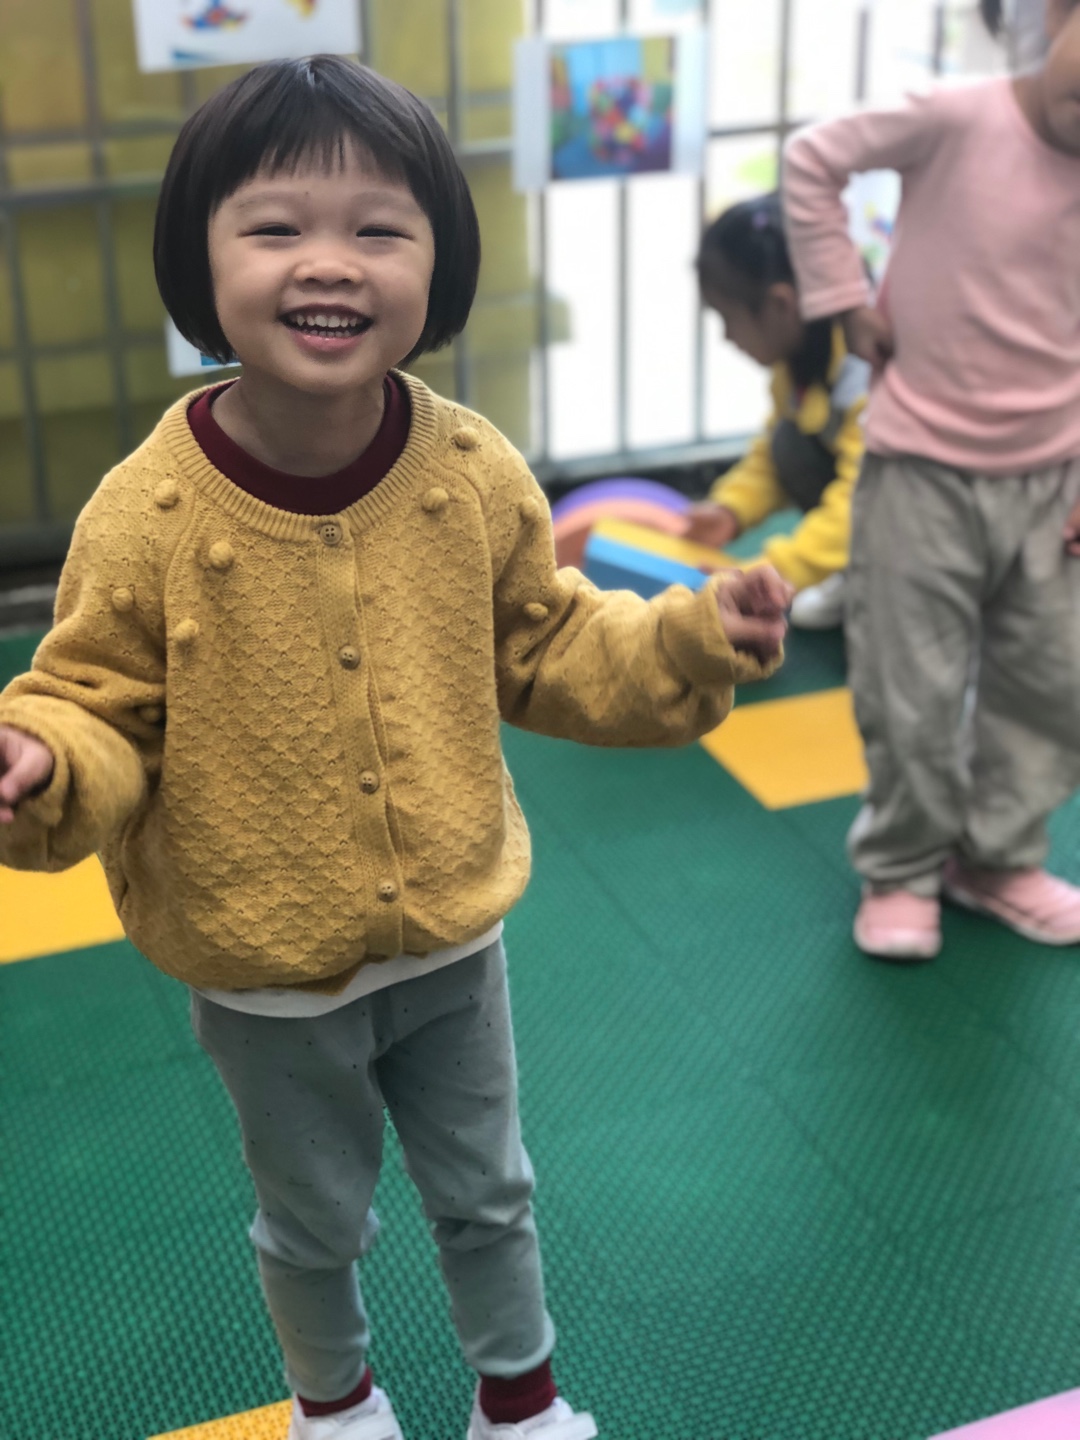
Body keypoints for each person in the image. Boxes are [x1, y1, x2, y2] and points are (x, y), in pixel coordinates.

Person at [0, 57, 790, 1440]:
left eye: (379, 228)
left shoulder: (469, 471)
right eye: (275, 228)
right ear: (198, 260)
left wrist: (687, 641)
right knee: (313, 1222)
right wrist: (48, 762)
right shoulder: (148, 512)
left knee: (492, 1193)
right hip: (263, 968)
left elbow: (547, 642)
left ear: (441, 263)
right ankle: (337, 1405)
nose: (331, 263)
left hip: (452, 939)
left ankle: (520, 1402)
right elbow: (100, 704)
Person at [782, 0, 1080, 961]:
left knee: (1052, 685)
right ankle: (903, 866)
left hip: (1057, 476)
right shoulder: (956, 116)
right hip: (919, 471)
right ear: (1058, 15)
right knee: (910, 686)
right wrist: (843, 299)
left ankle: (997, 859)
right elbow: (812, 159)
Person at [686, 193, 869, 630]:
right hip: (876, 494)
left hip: (919, 506)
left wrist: (780, 568)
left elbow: (864, 496)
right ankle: (854, 570)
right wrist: (730, 510)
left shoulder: (864, 367)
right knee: (789, 443)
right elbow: (774, 456)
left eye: (728, 318)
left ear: (781, 305)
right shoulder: (802, 352)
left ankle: (877, 579)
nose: (727, 337)